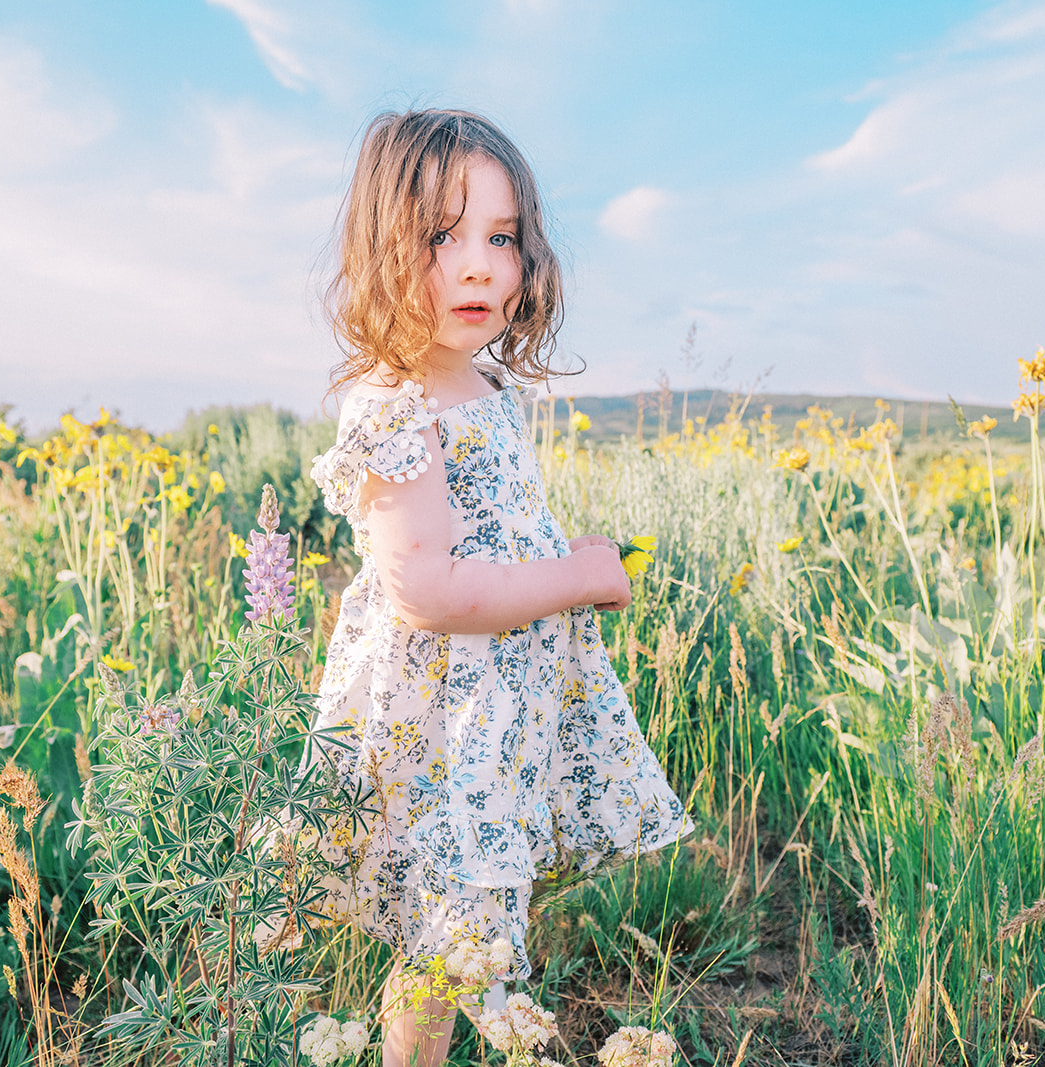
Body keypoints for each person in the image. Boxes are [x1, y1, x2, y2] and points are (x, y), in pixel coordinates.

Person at [307, 108, 692, 1067]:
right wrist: (575, 576)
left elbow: (493, 536)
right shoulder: (396, 399)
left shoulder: (486, 389)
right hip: (440, 721)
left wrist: (571, 565)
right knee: (450, 936)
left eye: (503, 236)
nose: (479, 264)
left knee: (451, 938)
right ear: (384, 245)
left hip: (495, 714)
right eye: (445, 236)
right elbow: (425, 587)